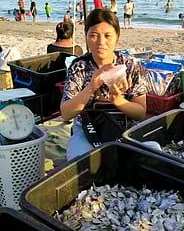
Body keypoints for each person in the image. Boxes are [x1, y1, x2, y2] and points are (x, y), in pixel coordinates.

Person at [60, 9, 148, 160]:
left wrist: (119, 101)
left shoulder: (131, 65)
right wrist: (91, 87)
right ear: (86, 37)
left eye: (107, 36)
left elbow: (140, 113)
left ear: (117, 37)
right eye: (93, 35)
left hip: (126, 127)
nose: (101, 42)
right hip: (88, 127)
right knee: (82, 162)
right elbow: (66, 113)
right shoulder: (79, 67)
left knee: (149, 156)